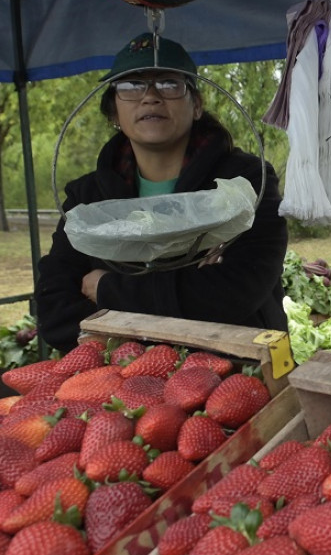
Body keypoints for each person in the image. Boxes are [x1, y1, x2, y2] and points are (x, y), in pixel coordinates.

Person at [35, 32, 289, 352]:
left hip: (236, 370)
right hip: (122, 382)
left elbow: (236, 293)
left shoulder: (246, 181)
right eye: (131, 86)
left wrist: (105, 288)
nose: (150, 96)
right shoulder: (87, 198)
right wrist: (184, 294)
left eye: (169, 83)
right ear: (113, 112)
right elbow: (53, 313)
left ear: (196, 104)